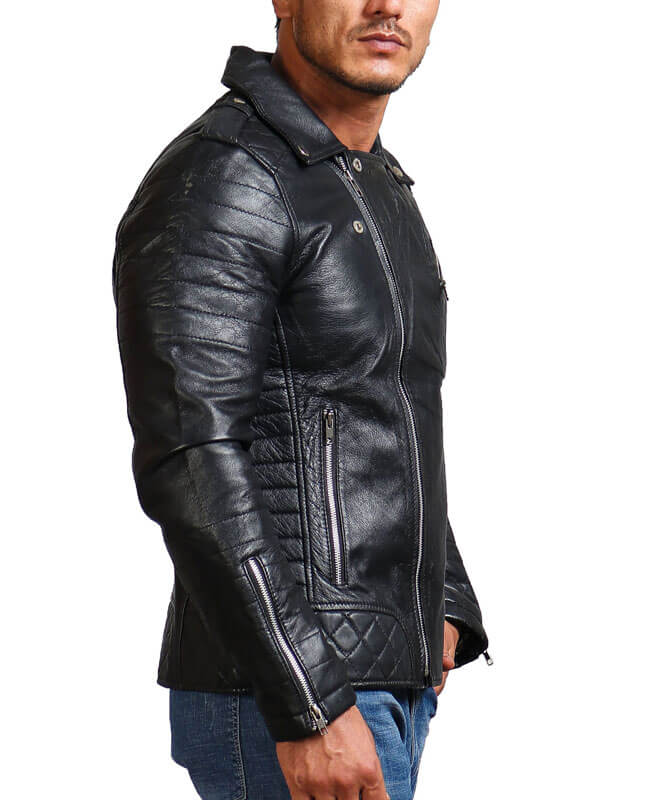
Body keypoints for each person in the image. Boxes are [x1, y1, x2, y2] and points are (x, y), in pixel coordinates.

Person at [112, 2, 491, 798]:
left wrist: (444, 597)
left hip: (380, 685)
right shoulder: (227, 177)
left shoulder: (366, 177)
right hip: (294, 695)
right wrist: (306, 701)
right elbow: (191, 458)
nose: (388, 6)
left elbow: (383, 405)